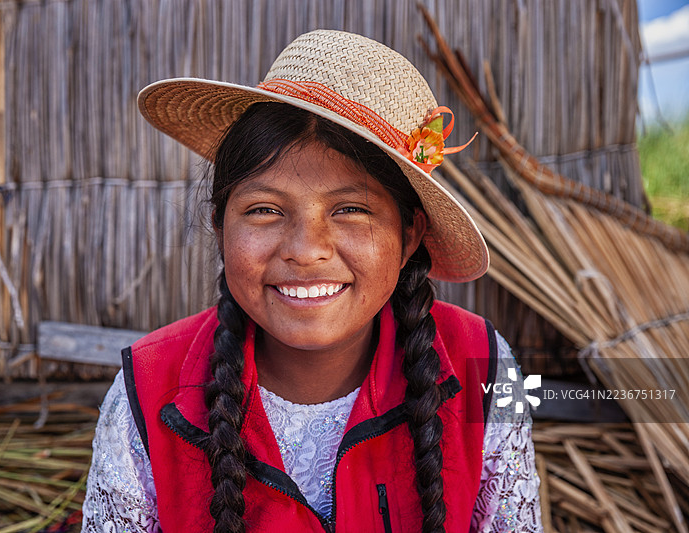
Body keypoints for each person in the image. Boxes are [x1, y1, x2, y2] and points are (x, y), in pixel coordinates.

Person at [82, 30, 542, 533]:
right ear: (219, 225)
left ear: (411, 233)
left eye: (350, 209)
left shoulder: (486, 364)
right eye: (264, 210)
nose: (305, 249)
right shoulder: (145, 390)